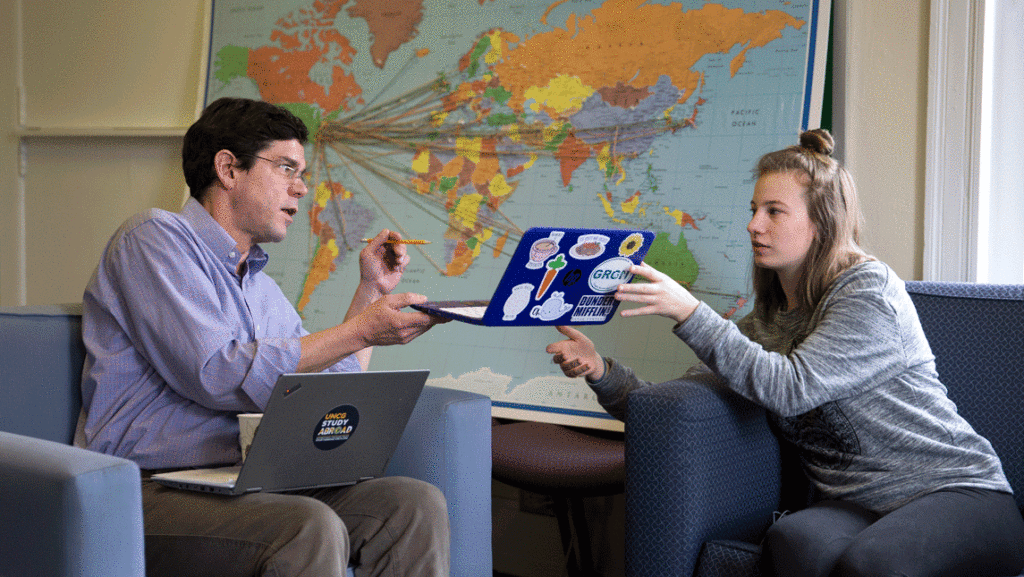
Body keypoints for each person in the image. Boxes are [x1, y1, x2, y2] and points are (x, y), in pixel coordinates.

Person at [546, 129, 1024, 576]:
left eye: (774, 212)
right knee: (792, 542)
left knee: (872, 564)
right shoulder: (767, 324)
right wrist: (600, 370)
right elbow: (670, 413)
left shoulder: (869, 291)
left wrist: (690, 312)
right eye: (754, 209)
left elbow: (791, 388)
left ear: (822, 222)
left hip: (958, 493)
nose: (754, 225)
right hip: (858, 504)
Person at [76, 97, 450, 577]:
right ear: (228, 169)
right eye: (286, 168)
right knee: (308, 526)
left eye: (302, 174)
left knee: (412, 506)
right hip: (146, 488)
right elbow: (216, 374)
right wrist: (360, 329)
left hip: (245, 481)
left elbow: (328, 386)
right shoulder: (152, 239)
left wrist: (371, 293)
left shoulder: (261, 289)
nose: (302, 188)